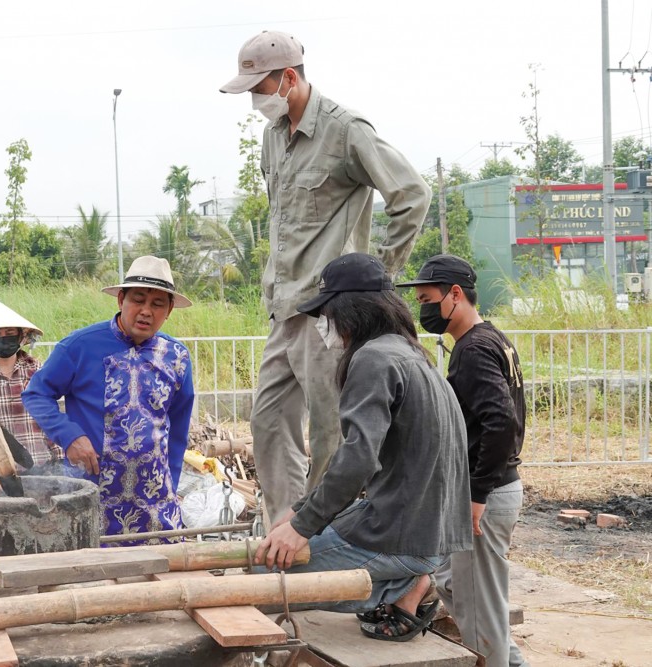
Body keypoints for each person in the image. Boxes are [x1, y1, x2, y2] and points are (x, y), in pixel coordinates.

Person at [220, 31, 431, 524]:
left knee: (330, 429)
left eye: (259, 88)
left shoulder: (346, 130)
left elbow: (411, 195)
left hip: (328, 310)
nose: (255, 100)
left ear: (289, 77)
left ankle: (322, 533)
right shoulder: (273, 138)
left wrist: (377, 276)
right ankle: (284, 528)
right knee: (269, 422)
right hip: (284, 308)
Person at [255, 253, 472, 642]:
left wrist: (301, 528)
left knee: (261, 577)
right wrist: (300, 511)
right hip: (433, 535)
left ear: (349, 310)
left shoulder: (373, 359)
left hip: (401, 536)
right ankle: (410, 582)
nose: (323, 326)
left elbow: (357, 458)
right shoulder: (410, 355)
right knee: (295, 542)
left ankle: (403, 584)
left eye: (325, 314)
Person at [398, 255, 529, 665]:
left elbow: (502, 421)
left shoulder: (472, 350)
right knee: (452, 581)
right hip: (494, 489)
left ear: (456, 294)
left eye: (427, 298)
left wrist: (477, 492)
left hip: (487, 495)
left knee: (481, 617)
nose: (423, 309)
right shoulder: (492, 339)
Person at [23, 256, 195, 544]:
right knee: (93, 576)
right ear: (120, 300)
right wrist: (70, 437)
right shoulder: (80, 346)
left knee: (159, 579)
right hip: (92, 493)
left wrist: (171, 486)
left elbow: (178, 432)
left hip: (154, 504)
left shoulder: (176, 357)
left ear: (169, 312)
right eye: (138, 300)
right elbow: (36, 393)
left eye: (157, 304)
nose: (145, 311)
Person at [0, 301, 63, 480]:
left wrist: (59, 457)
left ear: (20, 336)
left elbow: (50, 416)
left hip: (38, 464)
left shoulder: (36, 370)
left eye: (9, 332)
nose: (3, 337)